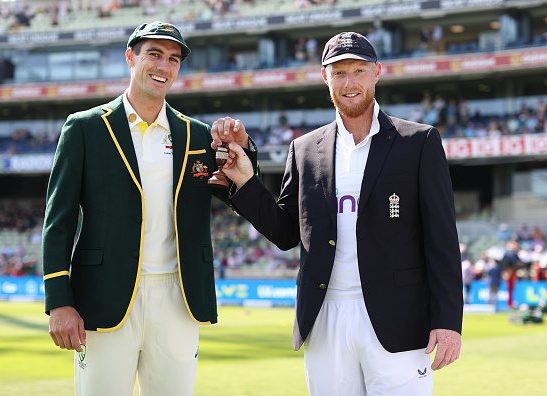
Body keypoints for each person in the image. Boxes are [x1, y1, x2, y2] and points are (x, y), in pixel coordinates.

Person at [218, 31, 463, 395]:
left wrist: (447, 320)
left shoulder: (419, 141)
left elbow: (442, 238)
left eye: (359, 71)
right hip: (325, 317)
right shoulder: (304, 148)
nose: (350, 83)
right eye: (339, 73)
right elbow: (288, 232)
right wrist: (246, 181)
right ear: (325, 78)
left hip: (399, 317)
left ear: (377, 72)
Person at [42, 21, 258, 396]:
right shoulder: (84, 128)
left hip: (178, 299)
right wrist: (59, 302)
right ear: (131, 57)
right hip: (103, 299)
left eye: (173, 59)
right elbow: (57, 222)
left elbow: (241, 198)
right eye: (154, 54)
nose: (164, 66)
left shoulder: (197, 135)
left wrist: (245, 147)